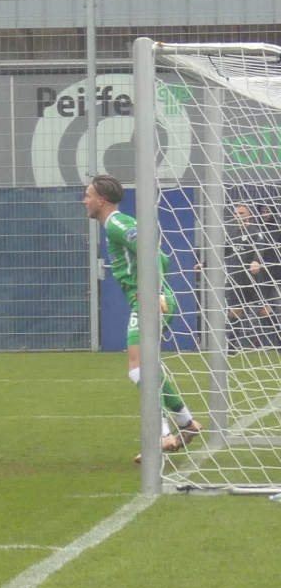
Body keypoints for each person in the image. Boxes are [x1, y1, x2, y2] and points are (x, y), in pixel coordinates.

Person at [85, 174, 201, 459]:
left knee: (138, 369)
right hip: (150, 301)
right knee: (146, 368)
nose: (84, 201)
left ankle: (163, 434)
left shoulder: (117, 224)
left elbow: (152, 253)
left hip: (151, 303)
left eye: (88, 196)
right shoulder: (117, 224)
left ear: (101, 200)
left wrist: (155, 292)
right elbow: (159, 256)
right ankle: (186, 422)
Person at [226, 200, 277, 350]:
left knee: (263, 310)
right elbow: (224, 251)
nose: (238, 216)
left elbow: (260, 248)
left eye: (241, 213)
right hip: (238, 279)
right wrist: (204, 263)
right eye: (236, 213)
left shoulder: (256, 232)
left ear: (249, 215)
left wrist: (256, 261)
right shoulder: (233, 233)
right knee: (235, 312)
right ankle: (231, 348)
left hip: (254, 280)